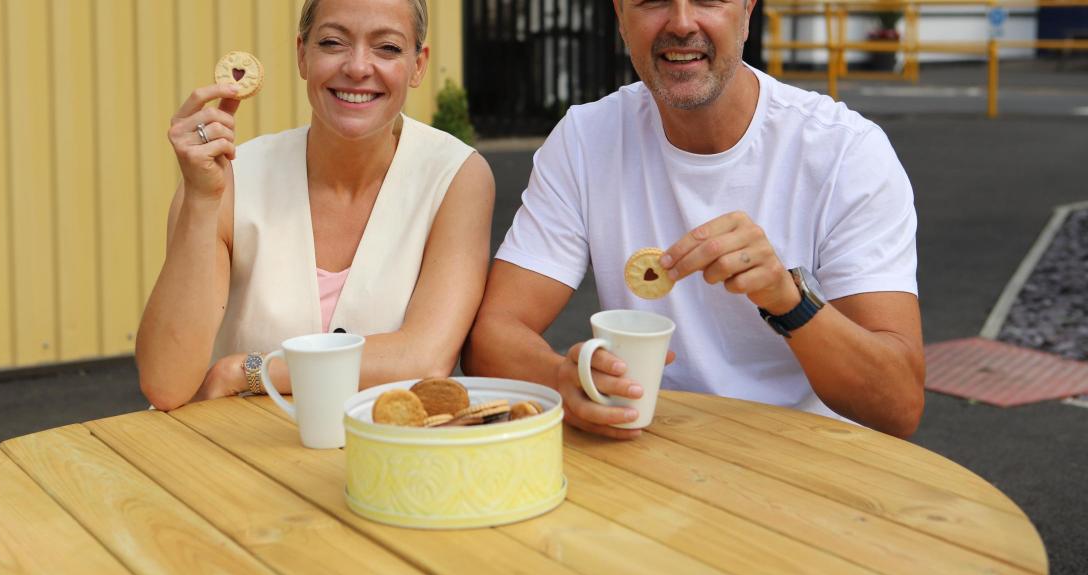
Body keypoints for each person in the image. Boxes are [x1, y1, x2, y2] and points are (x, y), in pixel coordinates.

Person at [462, 0, 924, 439]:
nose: (681, 22)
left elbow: (899, 404)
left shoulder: (844, 152)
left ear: (747, 11)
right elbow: (490, 336)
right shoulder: (586, 139)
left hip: (807, 458)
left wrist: (789, 300)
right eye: (653, 1)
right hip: (651, 446)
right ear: (620, 16)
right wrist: (564, 378)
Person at [137, 0, 494, 410]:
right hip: (232, 443)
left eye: (388, 48)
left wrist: (245, 371)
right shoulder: (227, 179)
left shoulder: (455, 177)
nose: (357, 67)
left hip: (381, 445)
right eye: (332, 42)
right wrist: (201, 199)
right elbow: (165, 383)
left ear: (418, 65)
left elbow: (424, 359)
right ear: (302, 55)